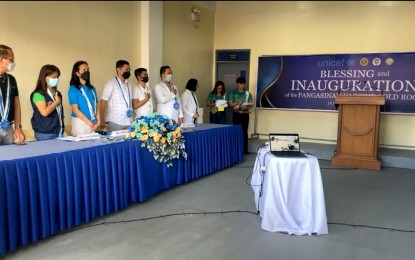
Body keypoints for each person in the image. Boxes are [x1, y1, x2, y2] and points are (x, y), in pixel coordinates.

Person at [30, 64, 64, 141]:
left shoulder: (57, 93)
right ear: (44, 77)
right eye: (53, 77)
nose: (56, 79)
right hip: (44, 134)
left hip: (58, 131)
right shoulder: (38, 94)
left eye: (57, 77)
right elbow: (44, 112)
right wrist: (57, 102)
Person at [0, 45, 25, 145]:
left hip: (8, 128)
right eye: (11, 60)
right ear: (1, 59)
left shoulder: (11, 79)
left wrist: (18, 127)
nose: (13, 63)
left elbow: (16, 104)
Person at [98, 60, 133, 131]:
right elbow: (103, 102)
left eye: (129, 69)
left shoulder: (129, 85)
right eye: (126, 69)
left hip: (128, 121)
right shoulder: (111, 84)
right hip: (115, 122)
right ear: (118, 70)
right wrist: (102, 120)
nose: (128, 71)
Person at [68, 60, 100, 136]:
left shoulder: (92, 89)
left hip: (93, 123)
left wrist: (98, 121)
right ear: (77, 73)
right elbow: (75, 110)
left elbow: (97, 106)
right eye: (84, 70)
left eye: (88, 70)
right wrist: (89, 123)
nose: (87, 72)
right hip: (80, 124)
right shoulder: (73, 89)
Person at [228, 76, 253, 155]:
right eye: (240, 84)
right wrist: (238, 103)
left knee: (244, 132)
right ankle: (235, 149)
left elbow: (251, 104)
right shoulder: (233, 93)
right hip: (236, 114)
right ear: (237, 84)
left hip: (245, 114)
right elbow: (230, 104)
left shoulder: (248, 93)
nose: (242, 85)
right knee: (236, 131)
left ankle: (245, 149)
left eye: (243, 84)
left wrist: (247, 104)